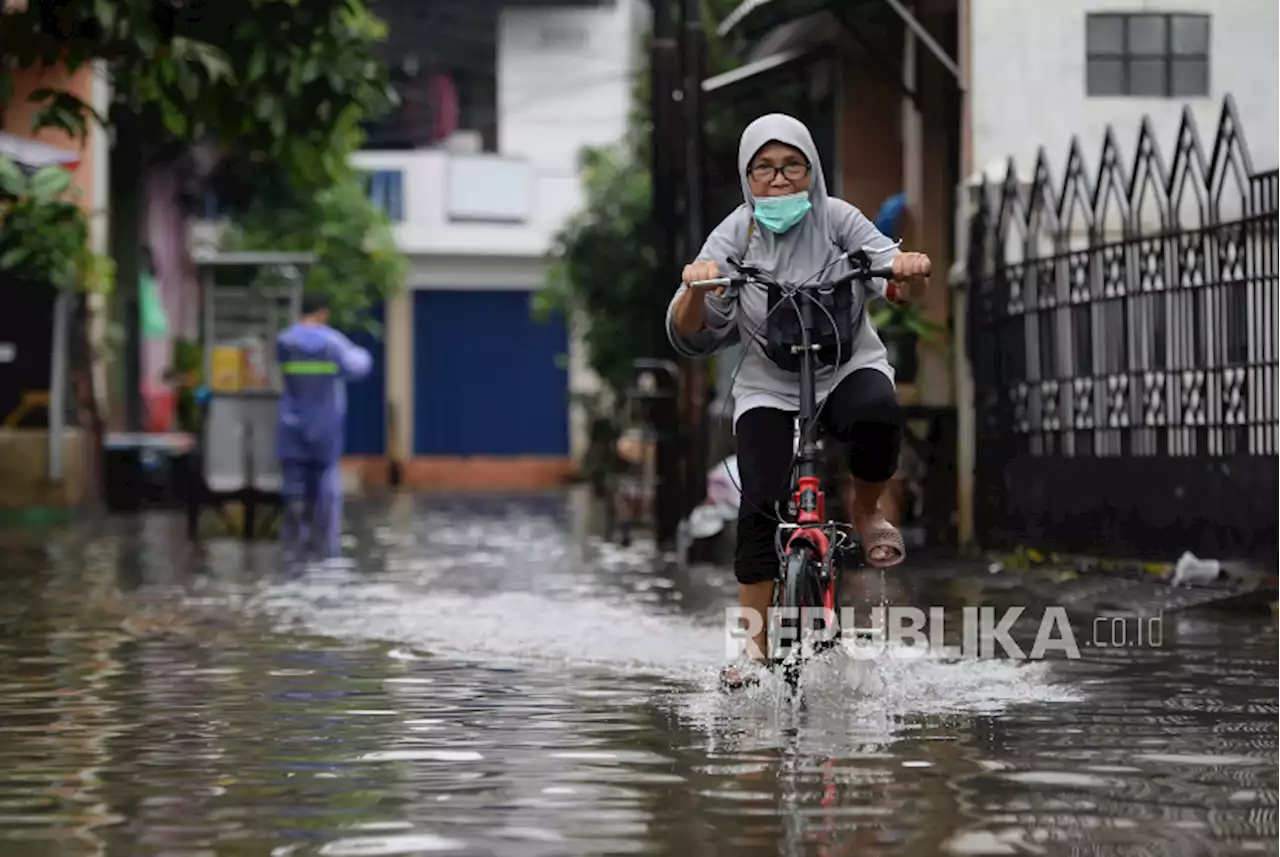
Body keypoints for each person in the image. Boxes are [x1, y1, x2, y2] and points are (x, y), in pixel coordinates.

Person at [664, 114, 932, 688]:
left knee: (879, 414)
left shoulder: (837, 220)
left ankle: (866, 510)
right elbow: (691, 328)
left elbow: (895, 282)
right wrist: (695, 285)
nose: (779, 179)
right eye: (764, 168)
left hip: (846, 365)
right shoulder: (736, 235)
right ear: (747, 176)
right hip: (769, 381)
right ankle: (752, 651)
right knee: (759, 500)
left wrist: (906, 272)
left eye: (792, 166)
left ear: (811, 170)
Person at [276, 293, 373, 561]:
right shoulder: (333, 343)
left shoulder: (284, 341)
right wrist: (362, 353)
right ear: (323, 313)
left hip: (291, 426)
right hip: (325, 425)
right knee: (326, 485)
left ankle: (293, 545)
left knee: (294, 487)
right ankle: (324, 549)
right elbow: (358, 367)